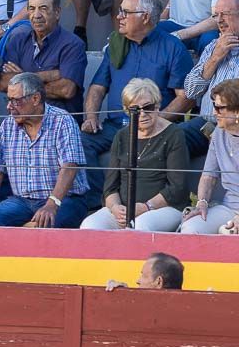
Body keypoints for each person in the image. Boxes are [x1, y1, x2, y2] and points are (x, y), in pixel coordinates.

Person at [82, 0, 192, 206]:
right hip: (116, 126)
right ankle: (96, 204)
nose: (118, 16)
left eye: (125, 12)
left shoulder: (172, 47)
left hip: (154, 130)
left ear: (145, 17)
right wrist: (91, 116)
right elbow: (96, 88)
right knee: (82, 141)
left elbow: (186, 97)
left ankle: (144, 207)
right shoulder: (116, 43)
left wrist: (157, 121)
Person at [0, 73, 89, 228]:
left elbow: (69, 167)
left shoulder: (62, 120)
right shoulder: (7, 125)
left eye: (15, 101)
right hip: (21, 201)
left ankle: (27, 230)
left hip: (65, 199)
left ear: (35, 99)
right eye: (8, 99)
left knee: (45, 224)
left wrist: (52, 204)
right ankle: (26, 229)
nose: (9, 107)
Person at [80, 78, 189, 232]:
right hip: (123, 209)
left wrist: (145, 207)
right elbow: (110, 187)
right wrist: (116, 207)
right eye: (135, 110)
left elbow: (177, 188)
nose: (143, 114)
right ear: (126, 111)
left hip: (163, 208)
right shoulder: (122, 136)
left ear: (158, 106)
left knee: (140, 227)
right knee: (89, 226)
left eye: (148, 107)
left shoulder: (174, 134)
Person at [0, 0, 87, 121]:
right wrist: (49, 75)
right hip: (20, 123)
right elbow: (4, 83)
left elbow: (66, 90)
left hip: (58, 124)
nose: (36, 15)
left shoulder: (73, 45)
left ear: (57, 13)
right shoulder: (17, 40)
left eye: (43, 8)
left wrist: (22, 78)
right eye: (32, 8)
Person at [183, 0, 239, 158]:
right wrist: (215, 58)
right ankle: (174, 185)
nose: (220, 20)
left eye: (226, 14)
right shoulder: (213, 47)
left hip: (236, 126)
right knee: (170, 139)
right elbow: (190, 91)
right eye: (216, 15)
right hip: (206, 124)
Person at [180, 79, 239, 235]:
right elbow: (209, 175)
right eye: (214, 106)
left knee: (228, 233)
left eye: (220, 108)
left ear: (237, 111)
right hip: (228, 207)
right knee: (191, 227)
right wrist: (202, 203)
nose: (214, 113)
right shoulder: (219, 133)